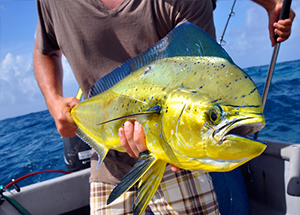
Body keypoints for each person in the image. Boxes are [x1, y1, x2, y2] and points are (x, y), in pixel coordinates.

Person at [34, 0, 295, 214]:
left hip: (177, 157)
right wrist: (53, 100)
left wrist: (270, 3)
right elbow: (45, 49)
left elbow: (203, 80)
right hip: (107, 162)